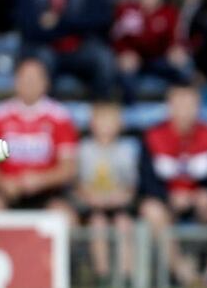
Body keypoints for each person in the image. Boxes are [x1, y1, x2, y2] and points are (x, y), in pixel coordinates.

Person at [138, 84, 207, 286]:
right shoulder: (153, 136)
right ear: (169, 106)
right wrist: (168, 197)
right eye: (179, 104)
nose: (185, 111)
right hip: (169, 207)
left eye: (190, 105)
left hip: (204, 208)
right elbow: (146, 184)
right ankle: (183, 275)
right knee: (150, 210)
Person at [0, 58, 78, 225]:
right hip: (9, 192)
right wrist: (4, 183)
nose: (29, 84)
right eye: (25, 79)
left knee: (64, 216)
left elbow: (67, 168)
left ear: (45, 83)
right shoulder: (1, 117)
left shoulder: (59, 117)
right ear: (16, 82)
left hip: (47, 193)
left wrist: (40, 180)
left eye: (34, 79)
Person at [76, 103, 136, 287]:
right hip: (91, 208)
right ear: (92, 124)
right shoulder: (83, 149)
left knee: (124, 225)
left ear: (120, 125)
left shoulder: (126, 151)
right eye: (101, 121)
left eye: (110, 122)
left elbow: (131, 187)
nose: (105, 127)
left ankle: (126, 279)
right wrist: (91, 197)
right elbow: (78, 185)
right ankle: (103, 278)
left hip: (118, 207)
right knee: (98, 224)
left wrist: (120, 197)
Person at [111, 0, 190, 104]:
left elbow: (176, 40)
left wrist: (176, 51)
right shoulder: (126, 10)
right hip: (134, 61)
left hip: (161, 59)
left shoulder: (170, 13)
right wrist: (122, 53)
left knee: (184, 67)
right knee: (124, 72)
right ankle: (130, 112)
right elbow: (116, 39)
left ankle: (179, 107)